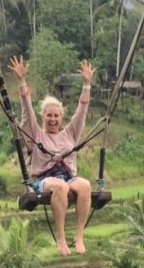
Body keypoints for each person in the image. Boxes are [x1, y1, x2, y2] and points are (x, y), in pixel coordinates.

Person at [8, 56, 95, 256]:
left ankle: (79, 235)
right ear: (43, 117)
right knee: (60, 186)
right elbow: (26, 111)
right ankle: (61, 237)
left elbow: (81, 112)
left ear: (61, 117)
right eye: (49, 115)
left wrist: (87, 84)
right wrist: (22, 81)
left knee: (85, 186)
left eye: (56, 116)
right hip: (45, 180)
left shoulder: (70, 133)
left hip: (69, 176)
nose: (53, 119)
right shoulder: (36, 134)